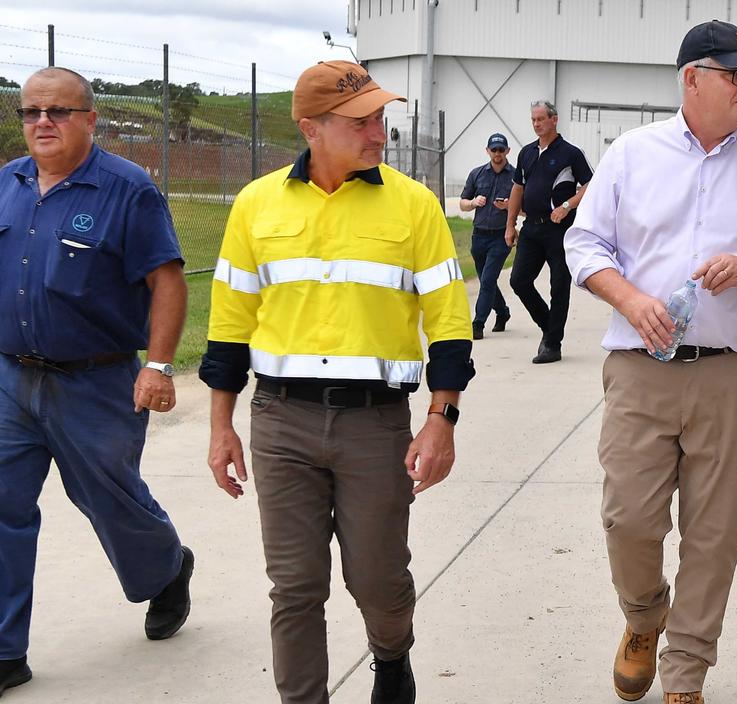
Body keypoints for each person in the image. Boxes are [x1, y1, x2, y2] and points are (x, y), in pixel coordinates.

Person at [565, 20, 737, 704]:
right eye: (736, 74)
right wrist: (628, 299)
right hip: (639, 367)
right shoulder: (632, 154)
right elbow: (585, 245)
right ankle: (645, 617)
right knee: (629, 519)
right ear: (692, 79)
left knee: (714, 533)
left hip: (732, 374)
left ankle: (686, 672)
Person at [200, 61, 474, 704]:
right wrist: (220, 428)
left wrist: (442, 419)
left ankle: (392, 655)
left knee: (378, 580)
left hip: (374, 423)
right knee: (294, 586)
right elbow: (228, 325)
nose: (379, 132)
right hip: (279, 420)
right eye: (361, 121)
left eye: (380, 117)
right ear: (311, 129)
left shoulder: (413, 206)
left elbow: (449, 322)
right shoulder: (256, 205)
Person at [0, 66, 194, 696]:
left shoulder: (127, 190)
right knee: (2, 512)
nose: (42, 123)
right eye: (31, 112)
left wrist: (160, 366)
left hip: (97, 382)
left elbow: (165, 280)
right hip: (10, 380)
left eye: (57, 111)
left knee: (108, 499)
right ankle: (5, 652)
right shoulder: (7, 184)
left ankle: (167, 568)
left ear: (89, 118)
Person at [504, 101, 593, 364]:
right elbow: (517, 188)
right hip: (531, 227)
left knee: (559, 286)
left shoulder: (571, 153)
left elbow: (590, 184)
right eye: (533, 120)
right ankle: (549, 327)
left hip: (559, 229)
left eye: (541, 119)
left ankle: (552, 345)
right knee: (519, 281)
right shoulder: (526, 153)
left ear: (554, 120)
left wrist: (567, 206)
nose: (536, 124)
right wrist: (510, 224)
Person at [460, 132, 515, 340]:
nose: (498, 154)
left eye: (501, 150)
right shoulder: (477, 174)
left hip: (501, 237)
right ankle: (502, 312)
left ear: (507, 151)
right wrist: (474, 202)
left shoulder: (516, 176)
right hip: (479, 236)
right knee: (486, 280)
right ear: (488, 151)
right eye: (494, 150)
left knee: (489, 278)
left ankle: (478, 323)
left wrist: (510, 206)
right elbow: (463, 203)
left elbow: (525, 208)